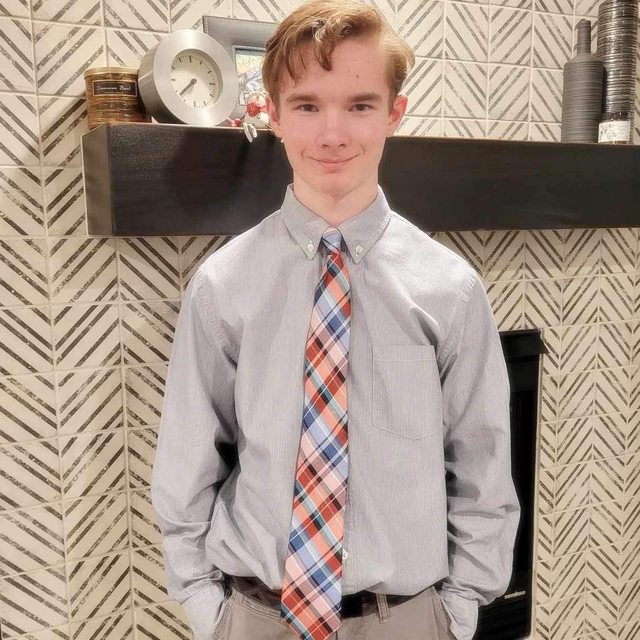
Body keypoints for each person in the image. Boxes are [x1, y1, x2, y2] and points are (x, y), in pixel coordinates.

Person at [150, 1, 521, 639]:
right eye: (306, 105)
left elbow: (482, 465)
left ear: (394, 114)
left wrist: (457, 612)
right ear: (272, 113)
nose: (332, 134)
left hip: (407, 621)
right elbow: (187, 464)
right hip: (256, 617)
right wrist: (208, 611)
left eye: (359, 105)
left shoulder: (451, 291)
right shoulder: (222, 286)